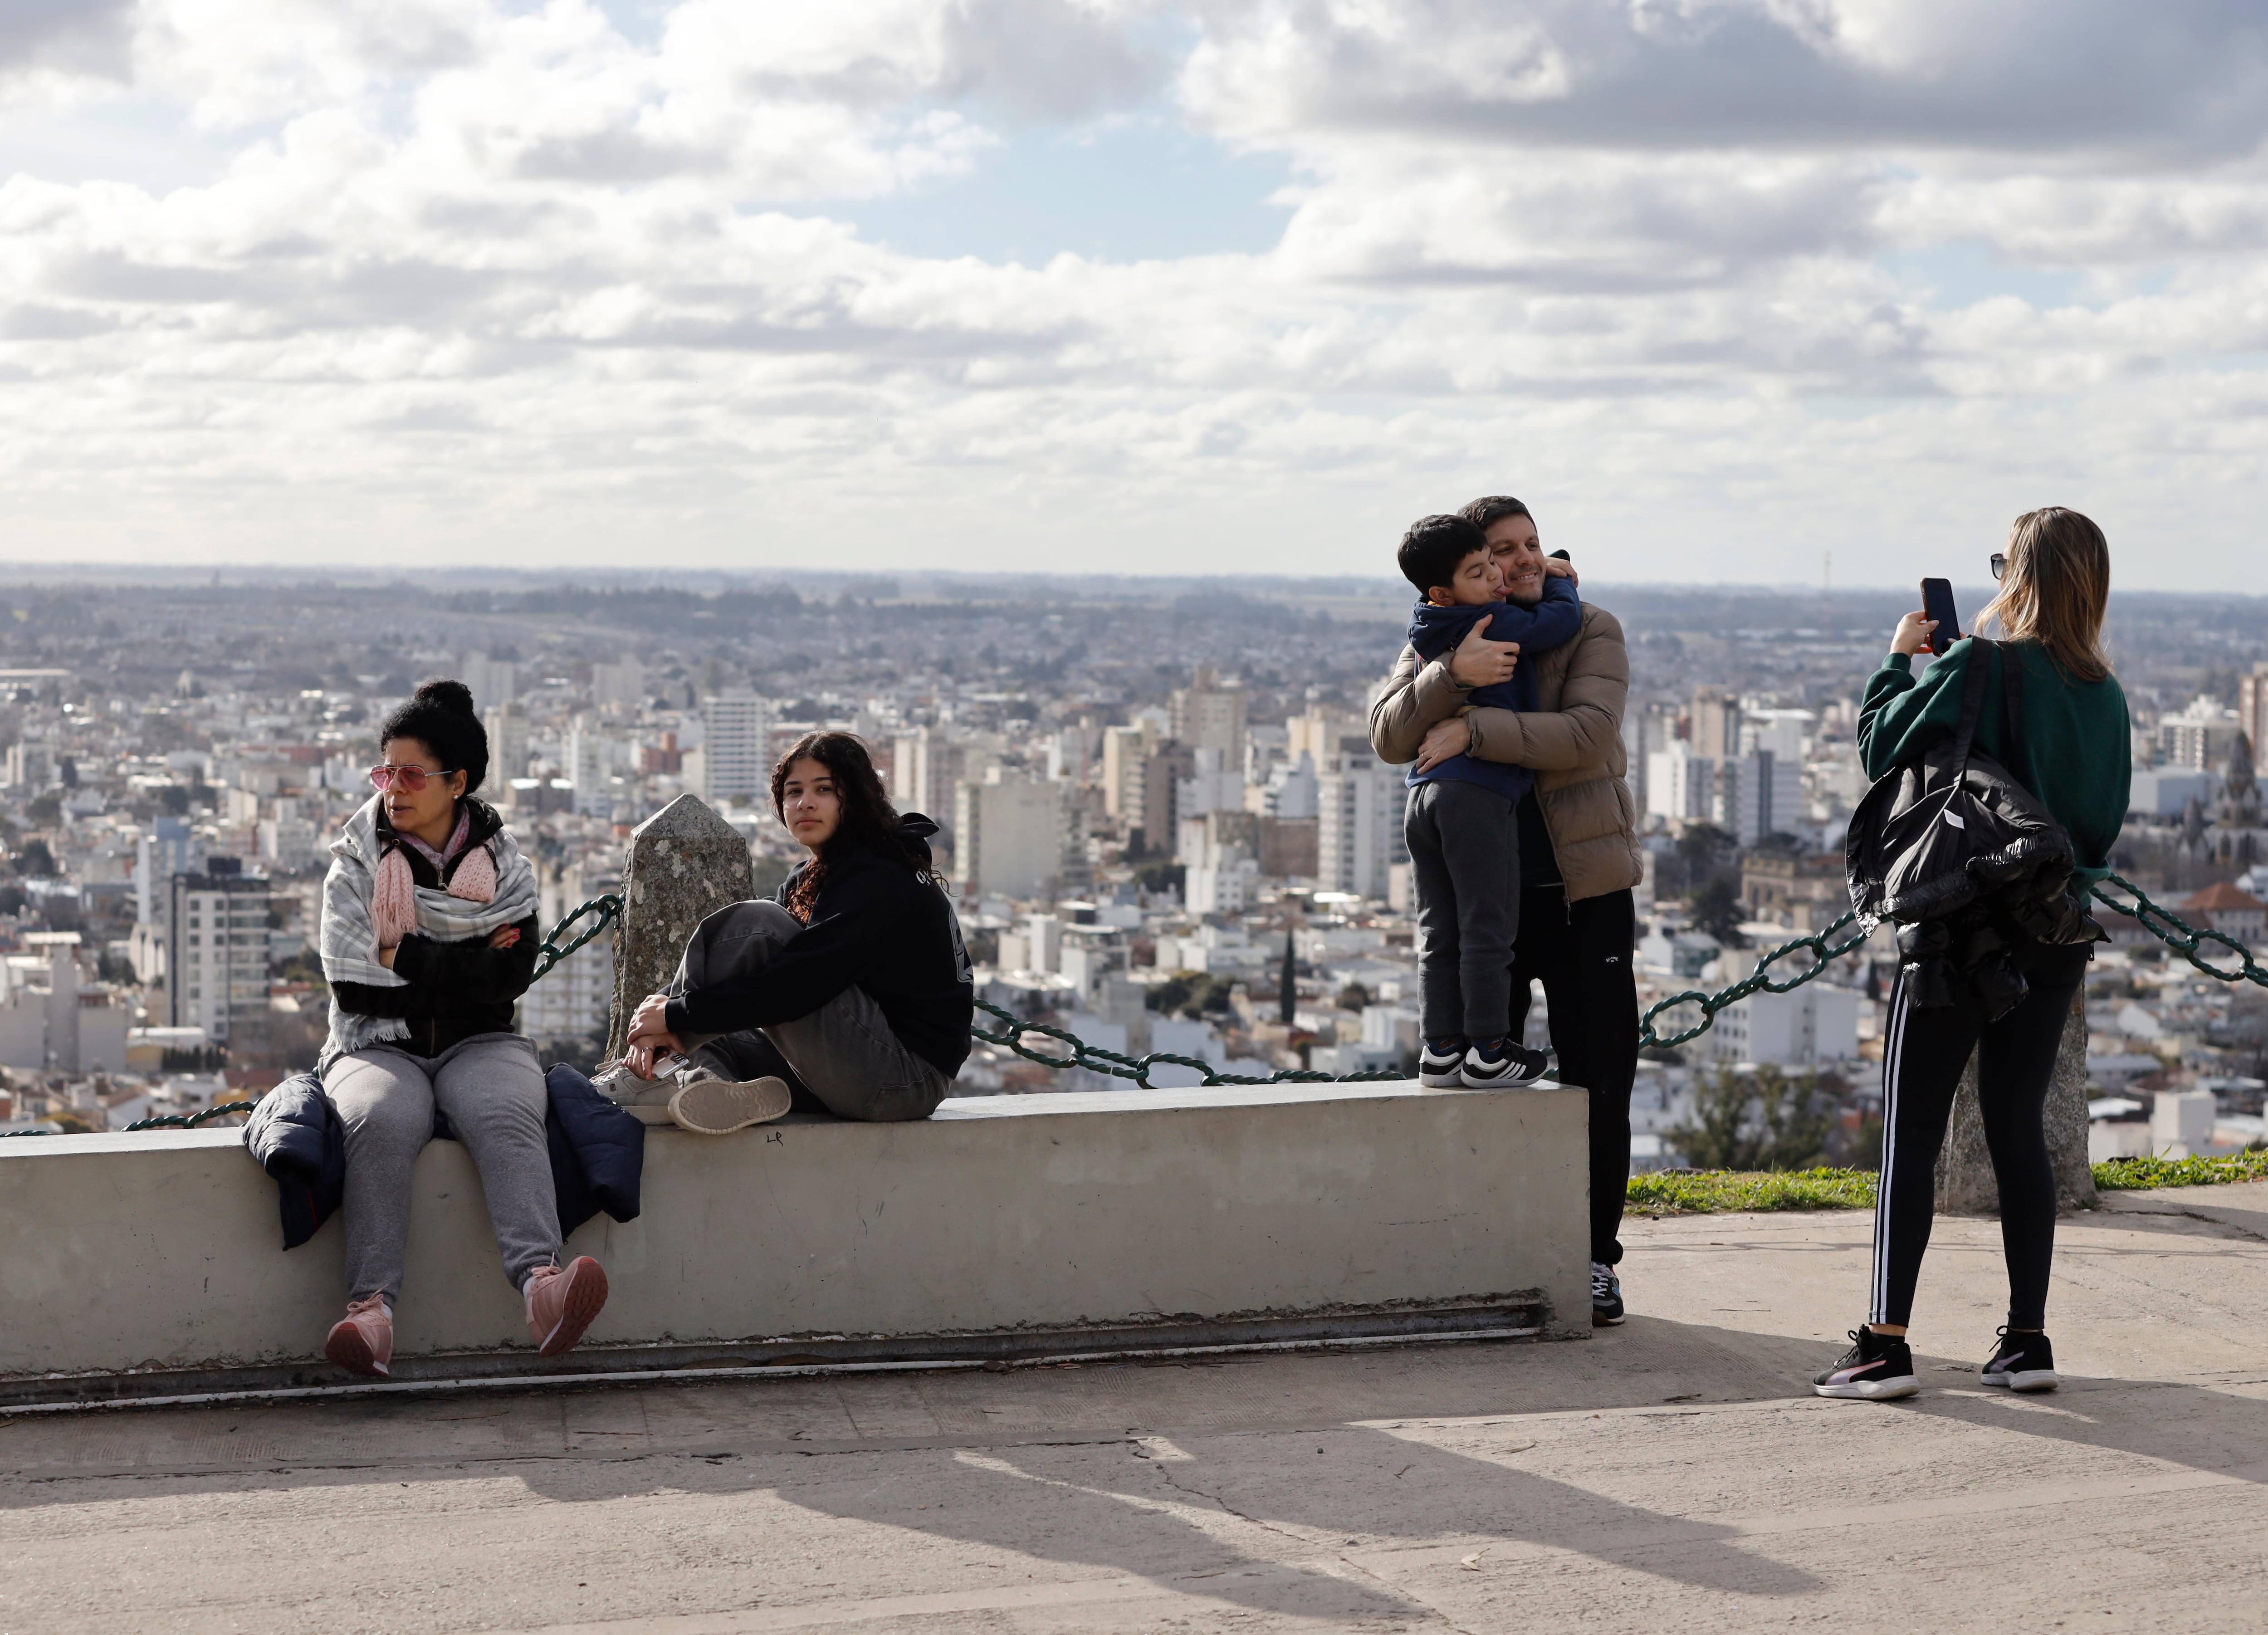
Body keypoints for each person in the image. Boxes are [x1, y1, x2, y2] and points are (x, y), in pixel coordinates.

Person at [1814, 507, 2128, 1402]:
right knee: (2014, 1125)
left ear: (2018, 579)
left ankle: (1883, 1343)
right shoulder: (2107, 694)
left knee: (1911, 1131)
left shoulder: (1981, 662)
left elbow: (1879, 744)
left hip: (1958, 925)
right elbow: (2098, 826)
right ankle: (2026, 1339)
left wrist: (1896, 655)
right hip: (2056, 929)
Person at [1369, 495, 1643, 1327]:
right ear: (1473, 565)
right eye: (1501, 550)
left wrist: (1475, 729)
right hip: (1488, 892)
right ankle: (1494, 1246)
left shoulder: (1589, 626)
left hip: (1583, 890)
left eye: (1531, 545)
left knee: (1600, 1080)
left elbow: (1590, 734)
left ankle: (1595, 1255)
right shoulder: (1456, 629)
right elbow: (1387, 730)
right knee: (1486, 1079)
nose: (1521, 560)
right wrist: (1451, 680)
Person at [316, 680, 607, 1378]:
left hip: (484, 1043)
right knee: (380, 1120)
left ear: (459, 783)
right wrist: (465, 965)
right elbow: (355, 985)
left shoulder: (507, 869)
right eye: (385, 772)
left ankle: (544, 1287)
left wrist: (404, 955)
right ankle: (371, 1313)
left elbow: (507, 984)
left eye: (412, 774)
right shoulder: (355, 864)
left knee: (509, 1110)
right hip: (373, 1043)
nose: (393, 789)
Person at [608, 731, 973, 1132]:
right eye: (793, 791)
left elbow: (800, 984)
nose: (805, 803)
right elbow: (758, 983)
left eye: (825, 789)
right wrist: (664, 1017)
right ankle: (707, 1089)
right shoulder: (814, 877)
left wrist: (673, 1015)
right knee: (714, 1033)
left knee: (756, 925)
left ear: (858, 797)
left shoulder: (878, 874)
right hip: (865, 1067)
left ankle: (650, 1069)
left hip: (904, 1081)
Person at [1396, 512, 1581, 1088]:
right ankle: (1487, 1049)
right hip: (1476, 793)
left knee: (1439, 928)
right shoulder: (1490, 620)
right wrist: (1557, 576)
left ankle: (1440, 1048)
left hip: (1423, 795)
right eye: (1483, 569)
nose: (1499, 578)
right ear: (1444, 590)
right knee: (1486, 925)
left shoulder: (1425, 626)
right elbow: (1561, 620)